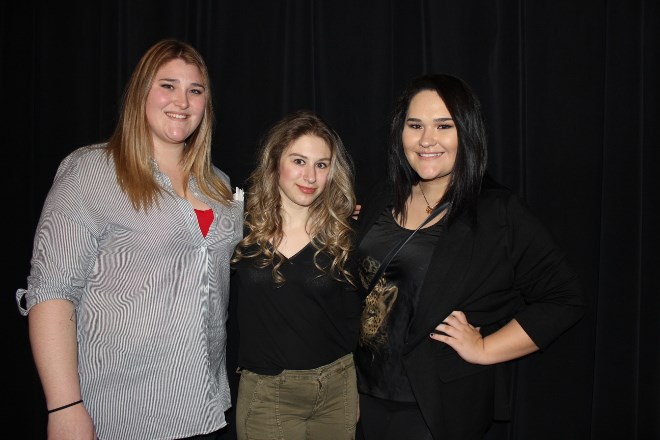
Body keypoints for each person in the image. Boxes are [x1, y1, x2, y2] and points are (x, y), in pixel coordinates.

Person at [15, 39, 244, 440]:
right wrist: (64, 407)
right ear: (141, 93)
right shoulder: (91, 172)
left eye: (195, 90)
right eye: (167, 86)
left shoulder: (220, 187)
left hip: (204, 408)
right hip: (118, 412)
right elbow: (51, 294)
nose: (182, 101)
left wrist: (331, 209)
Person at [353, 73, 586, 440]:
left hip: (435, 408)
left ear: (467, 132)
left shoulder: (498, 214)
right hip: (361, 398)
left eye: (443, 125)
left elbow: (564, 299)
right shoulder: (383, 197)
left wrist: (485, 348)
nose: (427, 140)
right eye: (415, 125)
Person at [229, 110, 361, 440]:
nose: (311, 176)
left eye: (322, 164)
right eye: (299, 161)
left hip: (336, 389)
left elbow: (357, 318)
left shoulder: (345, 234)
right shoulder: (238, 229)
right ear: (275, 163)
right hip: (267, 394)